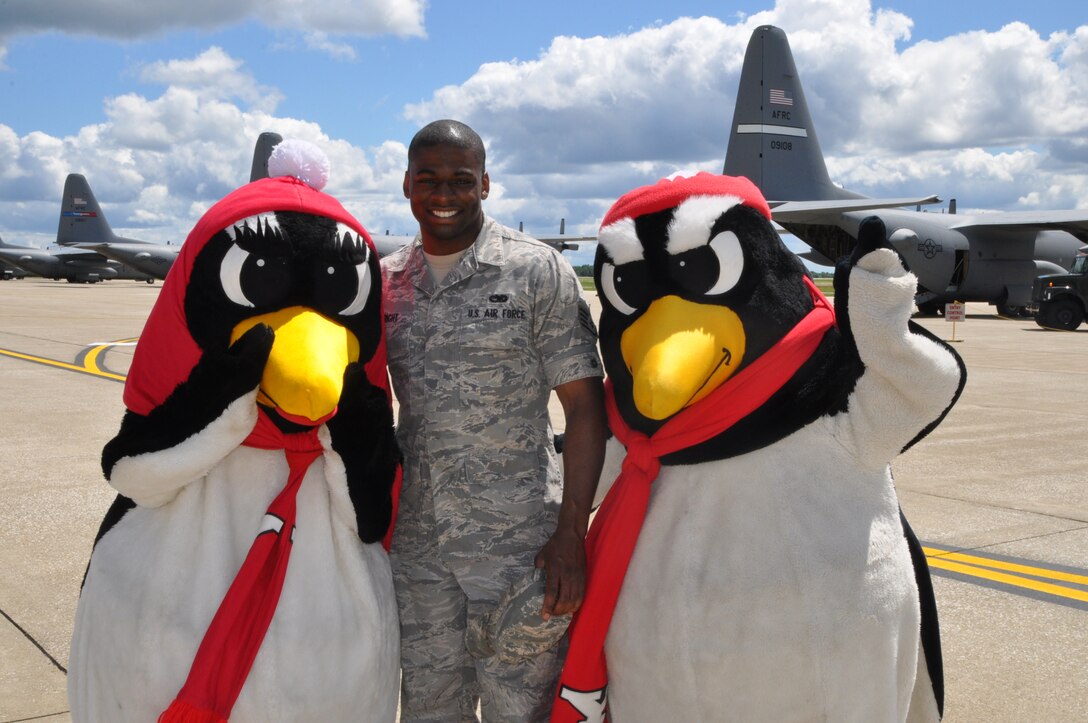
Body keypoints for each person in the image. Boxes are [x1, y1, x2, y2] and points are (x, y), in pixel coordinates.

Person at [381, 119, 607, 722]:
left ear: (485, 184)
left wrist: (571, 536)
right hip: (421, 549)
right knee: (430, 711)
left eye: (461, 179)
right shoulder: (388, 282)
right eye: (428, 179)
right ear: (407, 185)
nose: (444, 194)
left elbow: (585, 407)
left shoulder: (535, 271)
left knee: (525, 710)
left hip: (522, 548)